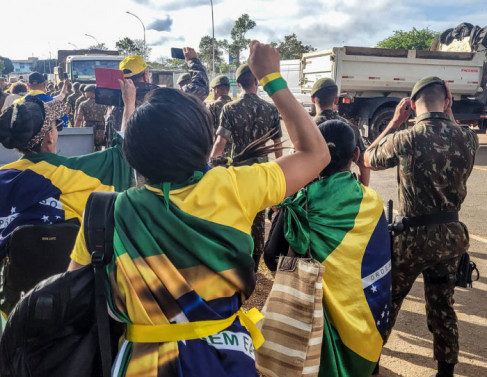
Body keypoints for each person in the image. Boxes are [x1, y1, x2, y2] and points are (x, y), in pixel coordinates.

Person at [68, 41, 330, 377]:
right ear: (205, 146)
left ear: (131, 154)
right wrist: (272, 78)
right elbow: (315, 154)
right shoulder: (235, 187)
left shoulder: (106, 213)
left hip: (142, 365)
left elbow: (75, 295)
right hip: (227, 361)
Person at [365, 76, 479, 377]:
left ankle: (371, 362)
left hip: (412, 239)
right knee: (443, 306)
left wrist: (393, 122)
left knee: (387, 301)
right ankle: (445, 371)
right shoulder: (468, 138)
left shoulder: (406, 138)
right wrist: (449, 112)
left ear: (412, 105)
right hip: (451, 238)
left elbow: (368, 159)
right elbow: (451, 126)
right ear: (449, 101)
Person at [265, 120, 391, 377]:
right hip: (364, 319)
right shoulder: (372, 202)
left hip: (316, 322)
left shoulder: (303, 201)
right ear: (355, 155)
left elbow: (271, 257)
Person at [0, 97, 133, 264]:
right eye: (57, 126)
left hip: (15, 284)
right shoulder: (79, 172)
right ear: (49, 136)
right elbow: (122, 152)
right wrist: (129, 103)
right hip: (72, 280)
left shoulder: (3, 177)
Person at [210, 63, 283, 269]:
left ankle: (235, 262)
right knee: (258, 220)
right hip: (261, 175)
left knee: (235, 216)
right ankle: (254, 264)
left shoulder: (229, 108)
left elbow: (219, 144)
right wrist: (281, 176)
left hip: (237, 174)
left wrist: (210, 168)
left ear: (239, 84)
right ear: (257, 83)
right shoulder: (270, 109)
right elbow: (278, 147)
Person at [311, 78, 370, 186]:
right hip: (346, 192)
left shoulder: (306, 130)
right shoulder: (351, 128)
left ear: (313, 100)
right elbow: (364, 165)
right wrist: (362, 195)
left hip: (314, 194)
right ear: (336, 100)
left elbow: (295, 166)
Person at [105, 55, 159, 145]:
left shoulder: (115, 103)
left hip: (123, 156)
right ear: (146, 75)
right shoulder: (160, 96)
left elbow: (109, 137)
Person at [74, 84, 107, 151]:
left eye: (86, 92)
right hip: (100, 128)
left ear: (91, 92)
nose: (85, 94)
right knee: (99, 149)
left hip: (87, 127)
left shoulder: (83, 104)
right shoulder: (103, 103)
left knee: (87, 148)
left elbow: (79, 118)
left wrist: (75, 130)